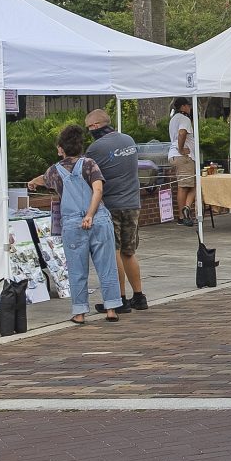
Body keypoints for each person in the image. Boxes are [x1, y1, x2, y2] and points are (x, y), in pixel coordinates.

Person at [30, 125, 121, 325]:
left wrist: (33, 183)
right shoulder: (89, 164)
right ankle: (112, 308)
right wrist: (90, 214)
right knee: (107, 266)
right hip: (99, 220)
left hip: (72, 224)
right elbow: (98, 190)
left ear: (62, 149)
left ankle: (80, 313)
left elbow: (44, 180)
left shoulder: (54, 171)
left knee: (77, 270)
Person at [83, 109, 145, 312]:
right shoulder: (128, 140)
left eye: (88, 128)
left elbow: (85, 175)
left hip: (111, 205)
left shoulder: (95, 148)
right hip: (133, 203)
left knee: (114, 252)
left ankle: (120, 300)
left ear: (93, 126)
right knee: (129, 252)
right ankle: (139, 296)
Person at [168, 98, 197, 225]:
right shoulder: (184, 118)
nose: (190, 108)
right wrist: (181, 149)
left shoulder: (174, 118)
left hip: (175, 156)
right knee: (188, 186)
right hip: (183, 157)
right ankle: (184, 212)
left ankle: (184, 212)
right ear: (184, 106)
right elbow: (182, 133)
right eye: (189, 106)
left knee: (186, 185)